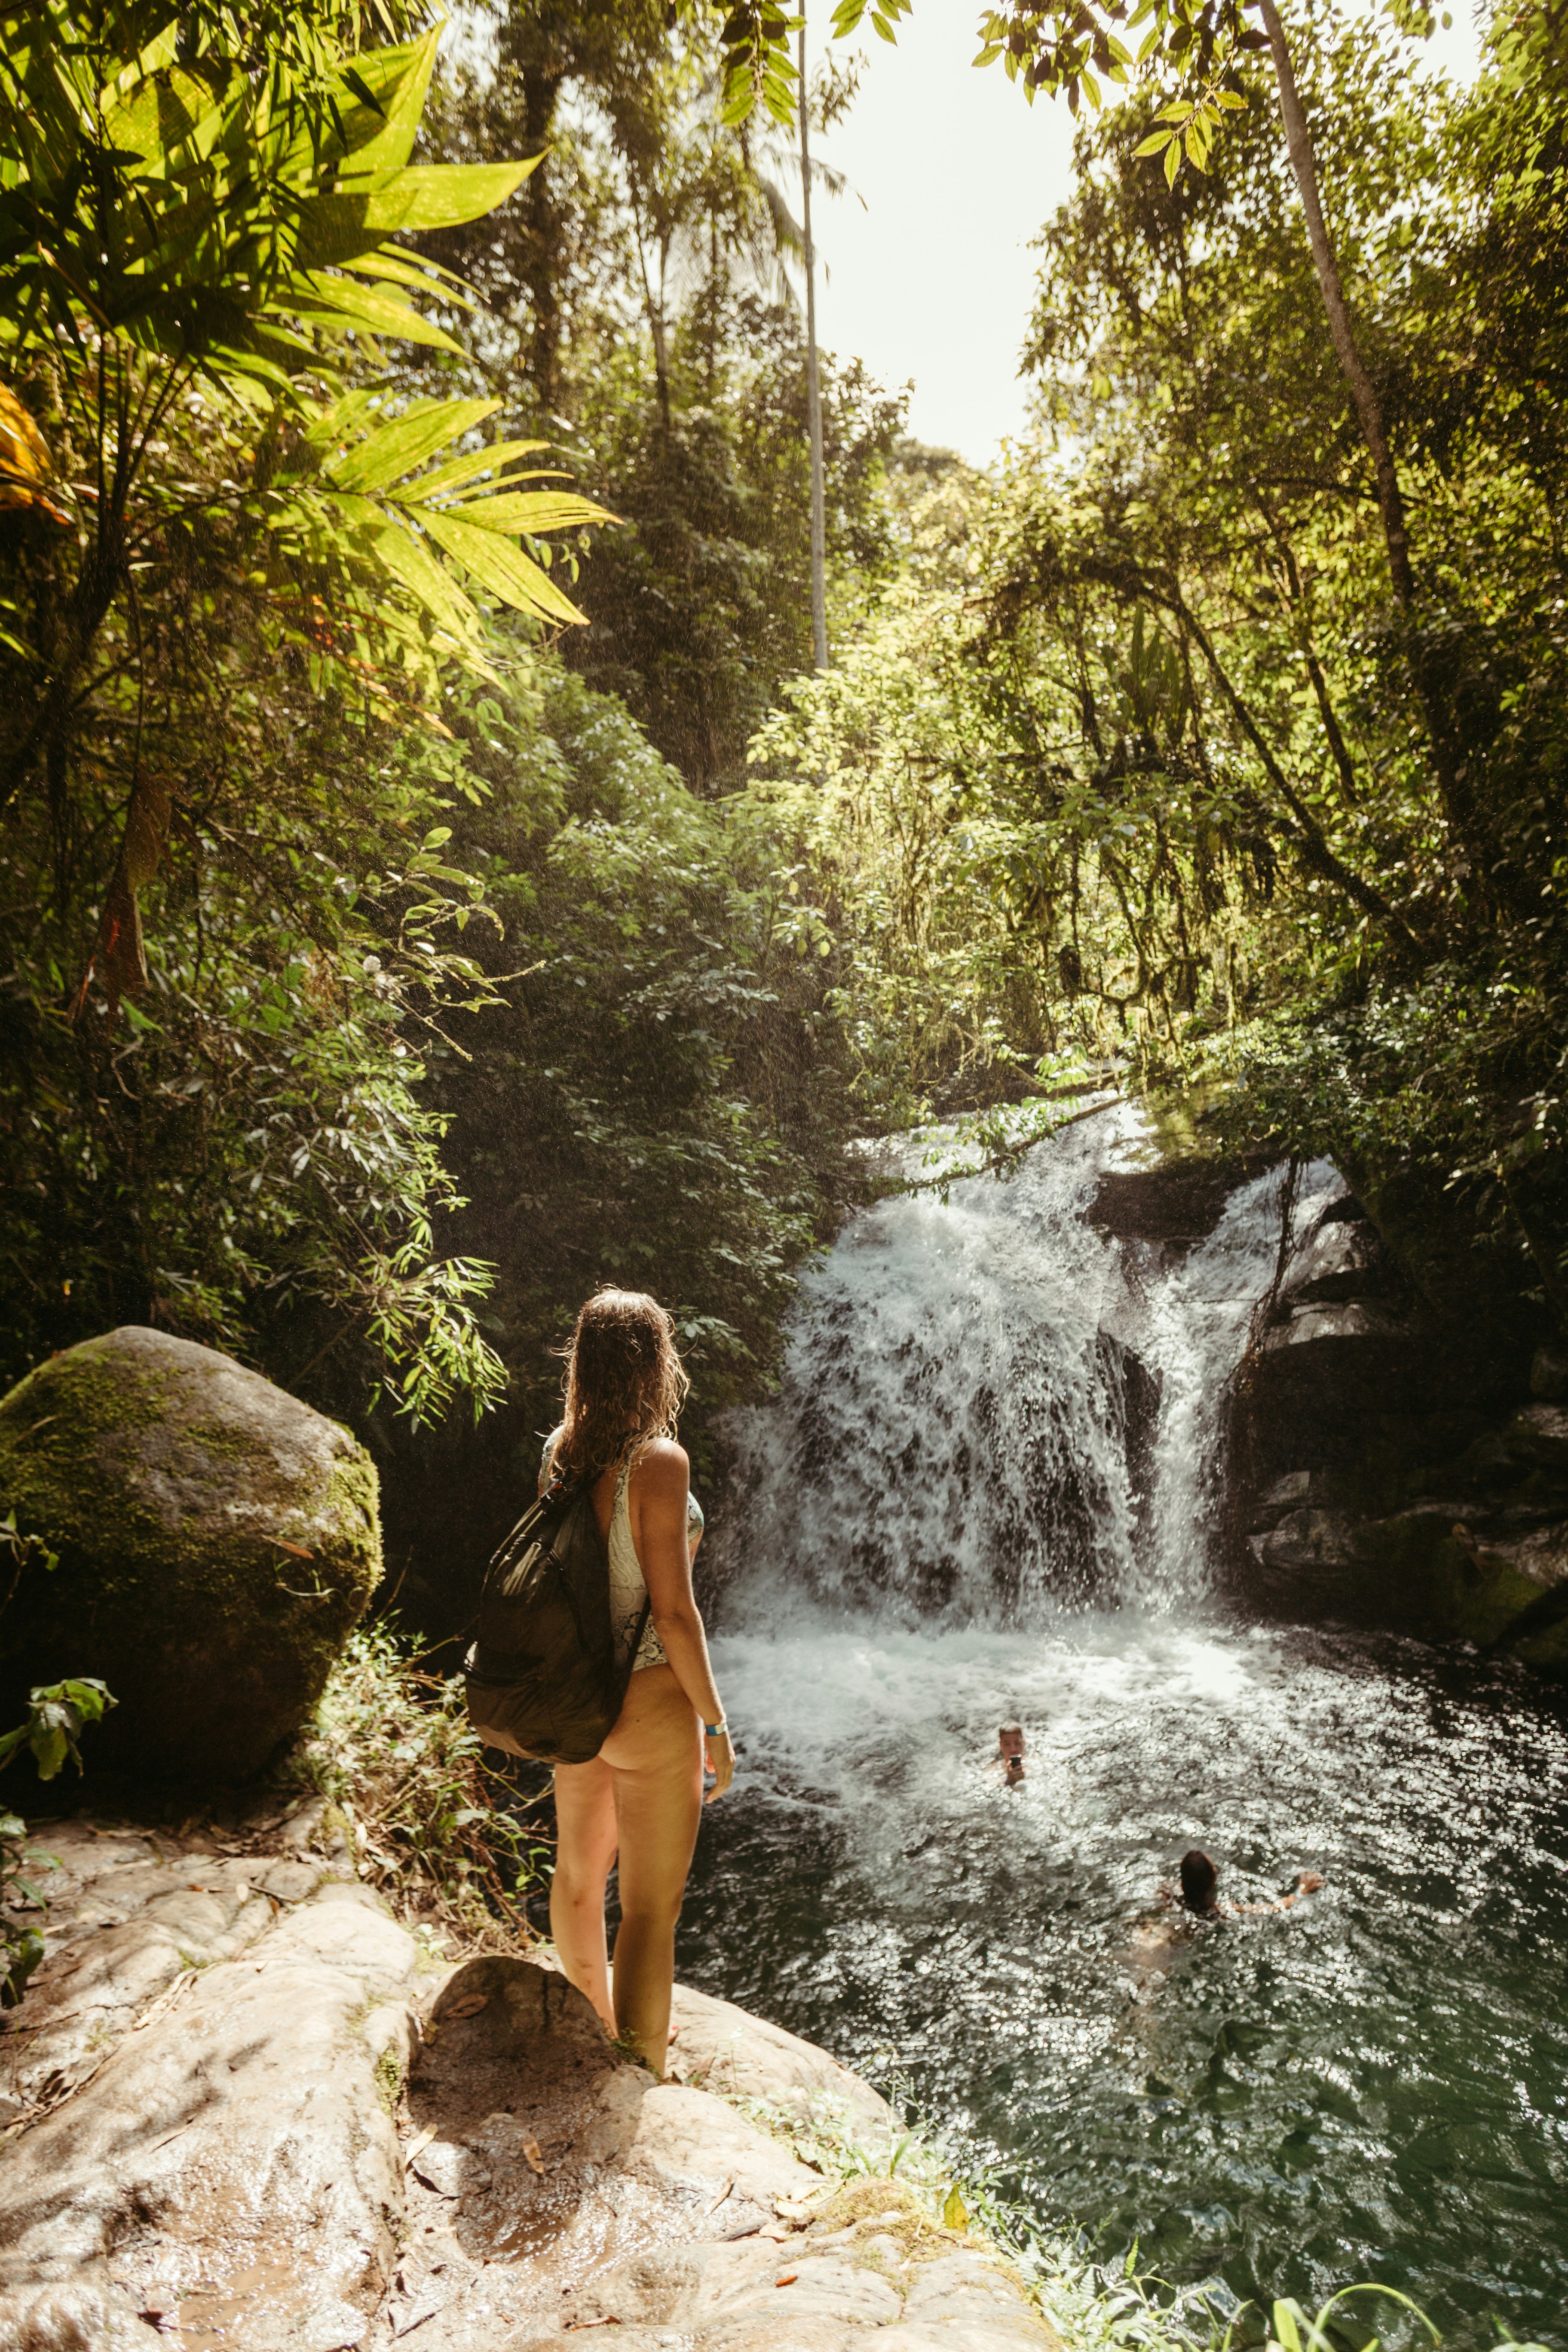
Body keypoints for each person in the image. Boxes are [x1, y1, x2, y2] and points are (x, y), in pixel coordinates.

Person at [539, 1289, 733, 2076]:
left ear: (582, 1361)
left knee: (580, 1876)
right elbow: (674, 1614)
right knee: (651, 1909)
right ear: (657, 1365)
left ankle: (590, 2022)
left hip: (577, 1696)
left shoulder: (560, 1447)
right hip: (650, 1701)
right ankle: (641, 2072)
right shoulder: (658, 1462)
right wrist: (715, 1723)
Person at [994, 1721, 1026, 1786]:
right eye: (1007, 1744)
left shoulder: (1038, 1763)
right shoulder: (994, 1770)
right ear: (1001, 1745)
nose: (1013, 1749)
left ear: (1024, 1743)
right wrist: (1009, 1782)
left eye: (1017, 1743)